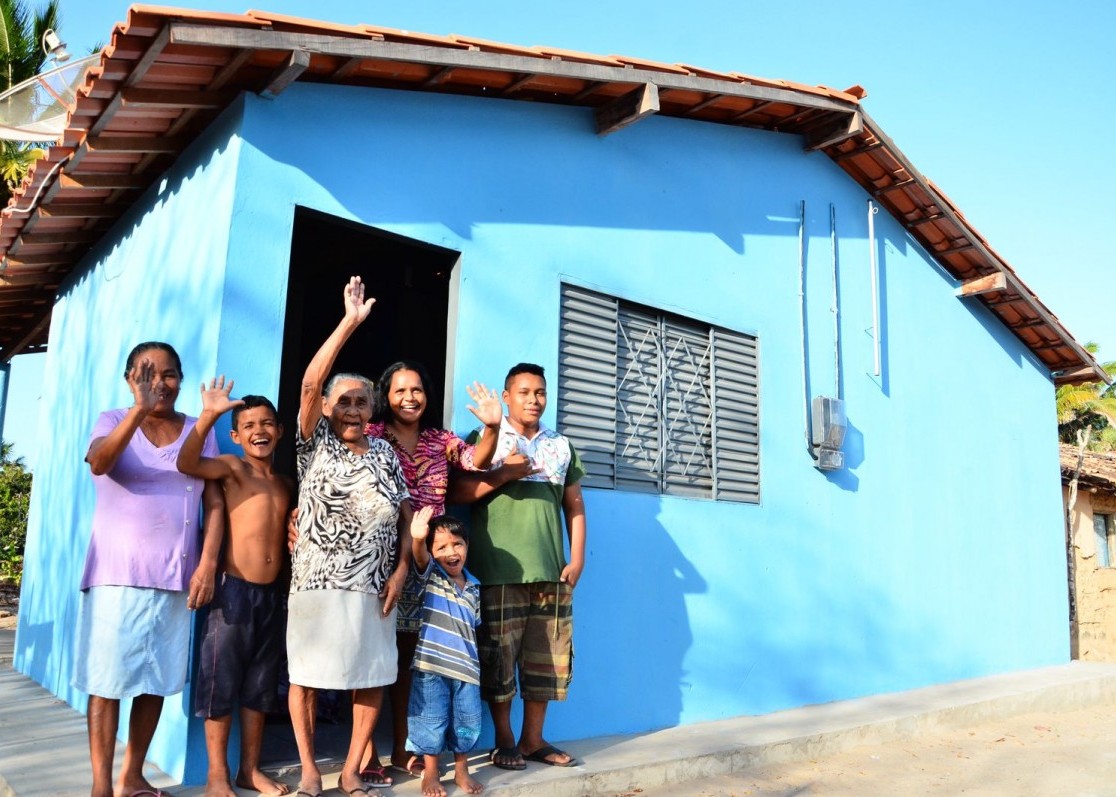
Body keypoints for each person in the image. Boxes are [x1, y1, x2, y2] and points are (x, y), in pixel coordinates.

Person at [73, 341, 225, 797]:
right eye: (147, 373)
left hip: (176, 575)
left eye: (170, 373)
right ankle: (102, 785)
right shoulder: (112, 420)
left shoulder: (200, 428)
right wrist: (138, 411)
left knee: (155, 679)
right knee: (107, 681)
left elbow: (214, 501)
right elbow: (100, 463)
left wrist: (207, 562)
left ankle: (132, 774)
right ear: (129, 379)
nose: (159, 382)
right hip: (117, 573)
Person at [288, 276, 412, 797]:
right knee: (308, 677)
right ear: (326, 409)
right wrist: (348, 324)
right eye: (345, 402)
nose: (354, 410)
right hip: (318, 580)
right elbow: (311, 384)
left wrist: (403, 566)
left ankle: (352, 770)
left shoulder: (384, 452)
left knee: (373, 674)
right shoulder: (314, 443)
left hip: (376, 585)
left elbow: (406, 511)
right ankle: (311, 770)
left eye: (363, 402)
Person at [358, 361, 502, 785]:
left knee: (411, 657)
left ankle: (405, 749)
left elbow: (477, 460)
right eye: (400, 390)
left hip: (427, 562)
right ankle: (365, 751)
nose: (410, 398)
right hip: (376, 556)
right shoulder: (372, 435)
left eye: (417, 390)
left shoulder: (440, 440)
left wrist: (492, 427)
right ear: (386, 395)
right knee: (371, 654)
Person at [458, 363, 588, 771]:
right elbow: (459, 492)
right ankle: (505, 740)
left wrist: (578, 558)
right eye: (525, 392)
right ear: (507, 395)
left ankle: (534, 740)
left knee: (545, 661)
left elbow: (575, 506)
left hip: (551, 573)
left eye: (540, 392)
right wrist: (502, 474)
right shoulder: (487, 437)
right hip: (498, 573)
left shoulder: (561, 446)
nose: (534, 399)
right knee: (498, 660)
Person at [176, 382, 293, 797]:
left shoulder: (284, 483)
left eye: (266, 424)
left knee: (261, 686)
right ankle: (215, 775)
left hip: (272, 597)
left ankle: (249, 770)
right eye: (248, 426)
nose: (259, 430)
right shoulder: (231, 467)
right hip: (232, 593)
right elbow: (186, 461)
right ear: (238, 436)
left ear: (279, 430)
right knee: (219, 684)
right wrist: (208, 415)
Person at [405, 506, 485, 797]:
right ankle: (431, 773)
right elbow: (420, 559)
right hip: (431, 667)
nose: (451, 551)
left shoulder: (475, 586)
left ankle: (462, 771)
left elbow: (473, 627)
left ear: (467, 547)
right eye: (441, 547)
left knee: (467, 722)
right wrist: (417, 539)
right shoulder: (432, 578)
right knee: (430, 721)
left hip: (466, 669)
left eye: (457, 544)